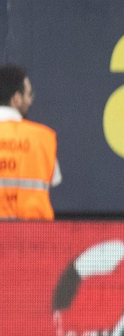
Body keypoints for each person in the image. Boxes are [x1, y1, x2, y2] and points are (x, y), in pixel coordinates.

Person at [0, 64, 57, 221]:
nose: (31, 100)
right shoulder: (43, 138)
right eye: (29, 94)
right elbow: (54, 179)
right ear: (16, 98)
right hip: (31, 238)